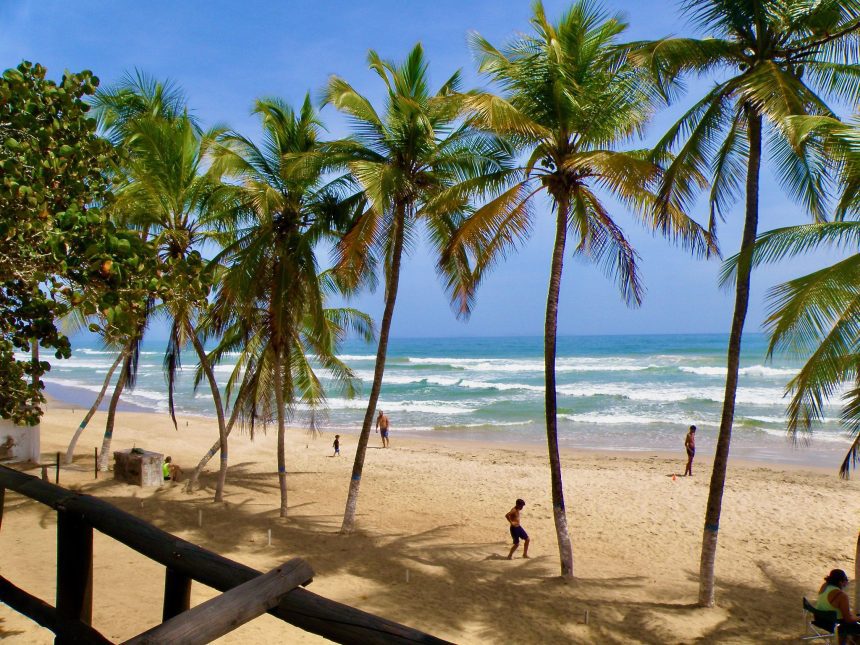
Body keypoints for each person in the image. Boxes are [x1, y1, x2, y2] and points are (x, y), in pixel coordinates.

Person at [816, 569, 860, 642]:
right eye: (846, 579)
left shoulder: (824, 586)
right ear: (840, 582)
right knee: (853, 626)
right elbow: (848, 619)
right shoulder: (841, 596)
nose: (847, 582)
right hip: (833, 623)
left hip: (819, 619)